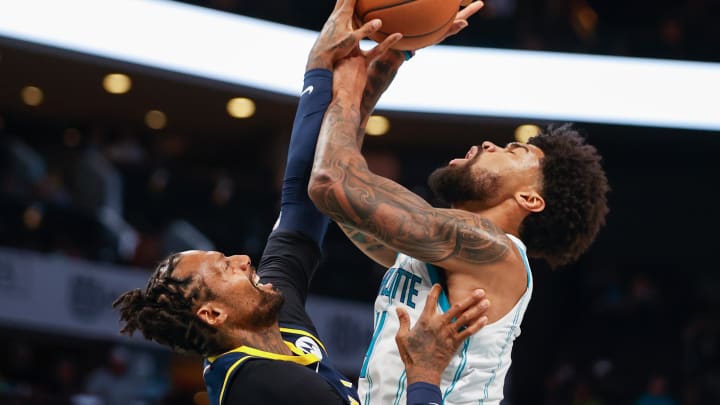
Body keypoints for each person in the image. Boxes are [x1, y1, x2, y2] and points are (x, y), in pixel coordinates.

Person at [113, 1, 490, 404]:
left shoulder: (275, 328)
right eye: (225, 267)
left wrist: (343, 63)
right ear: (212, 314)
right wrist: (425, 371)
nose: (243, 259)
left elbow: (300, 205)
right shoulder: (259, 384)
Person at [308, 24, 610, 405]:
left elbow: (330, 183)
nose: (489, 143)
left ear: (530, 199)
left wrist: (353, 89)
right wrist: (379, 72)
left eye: (513, 151)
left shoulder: (492, 248)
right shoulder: (445, 253)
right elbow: (335, 193)